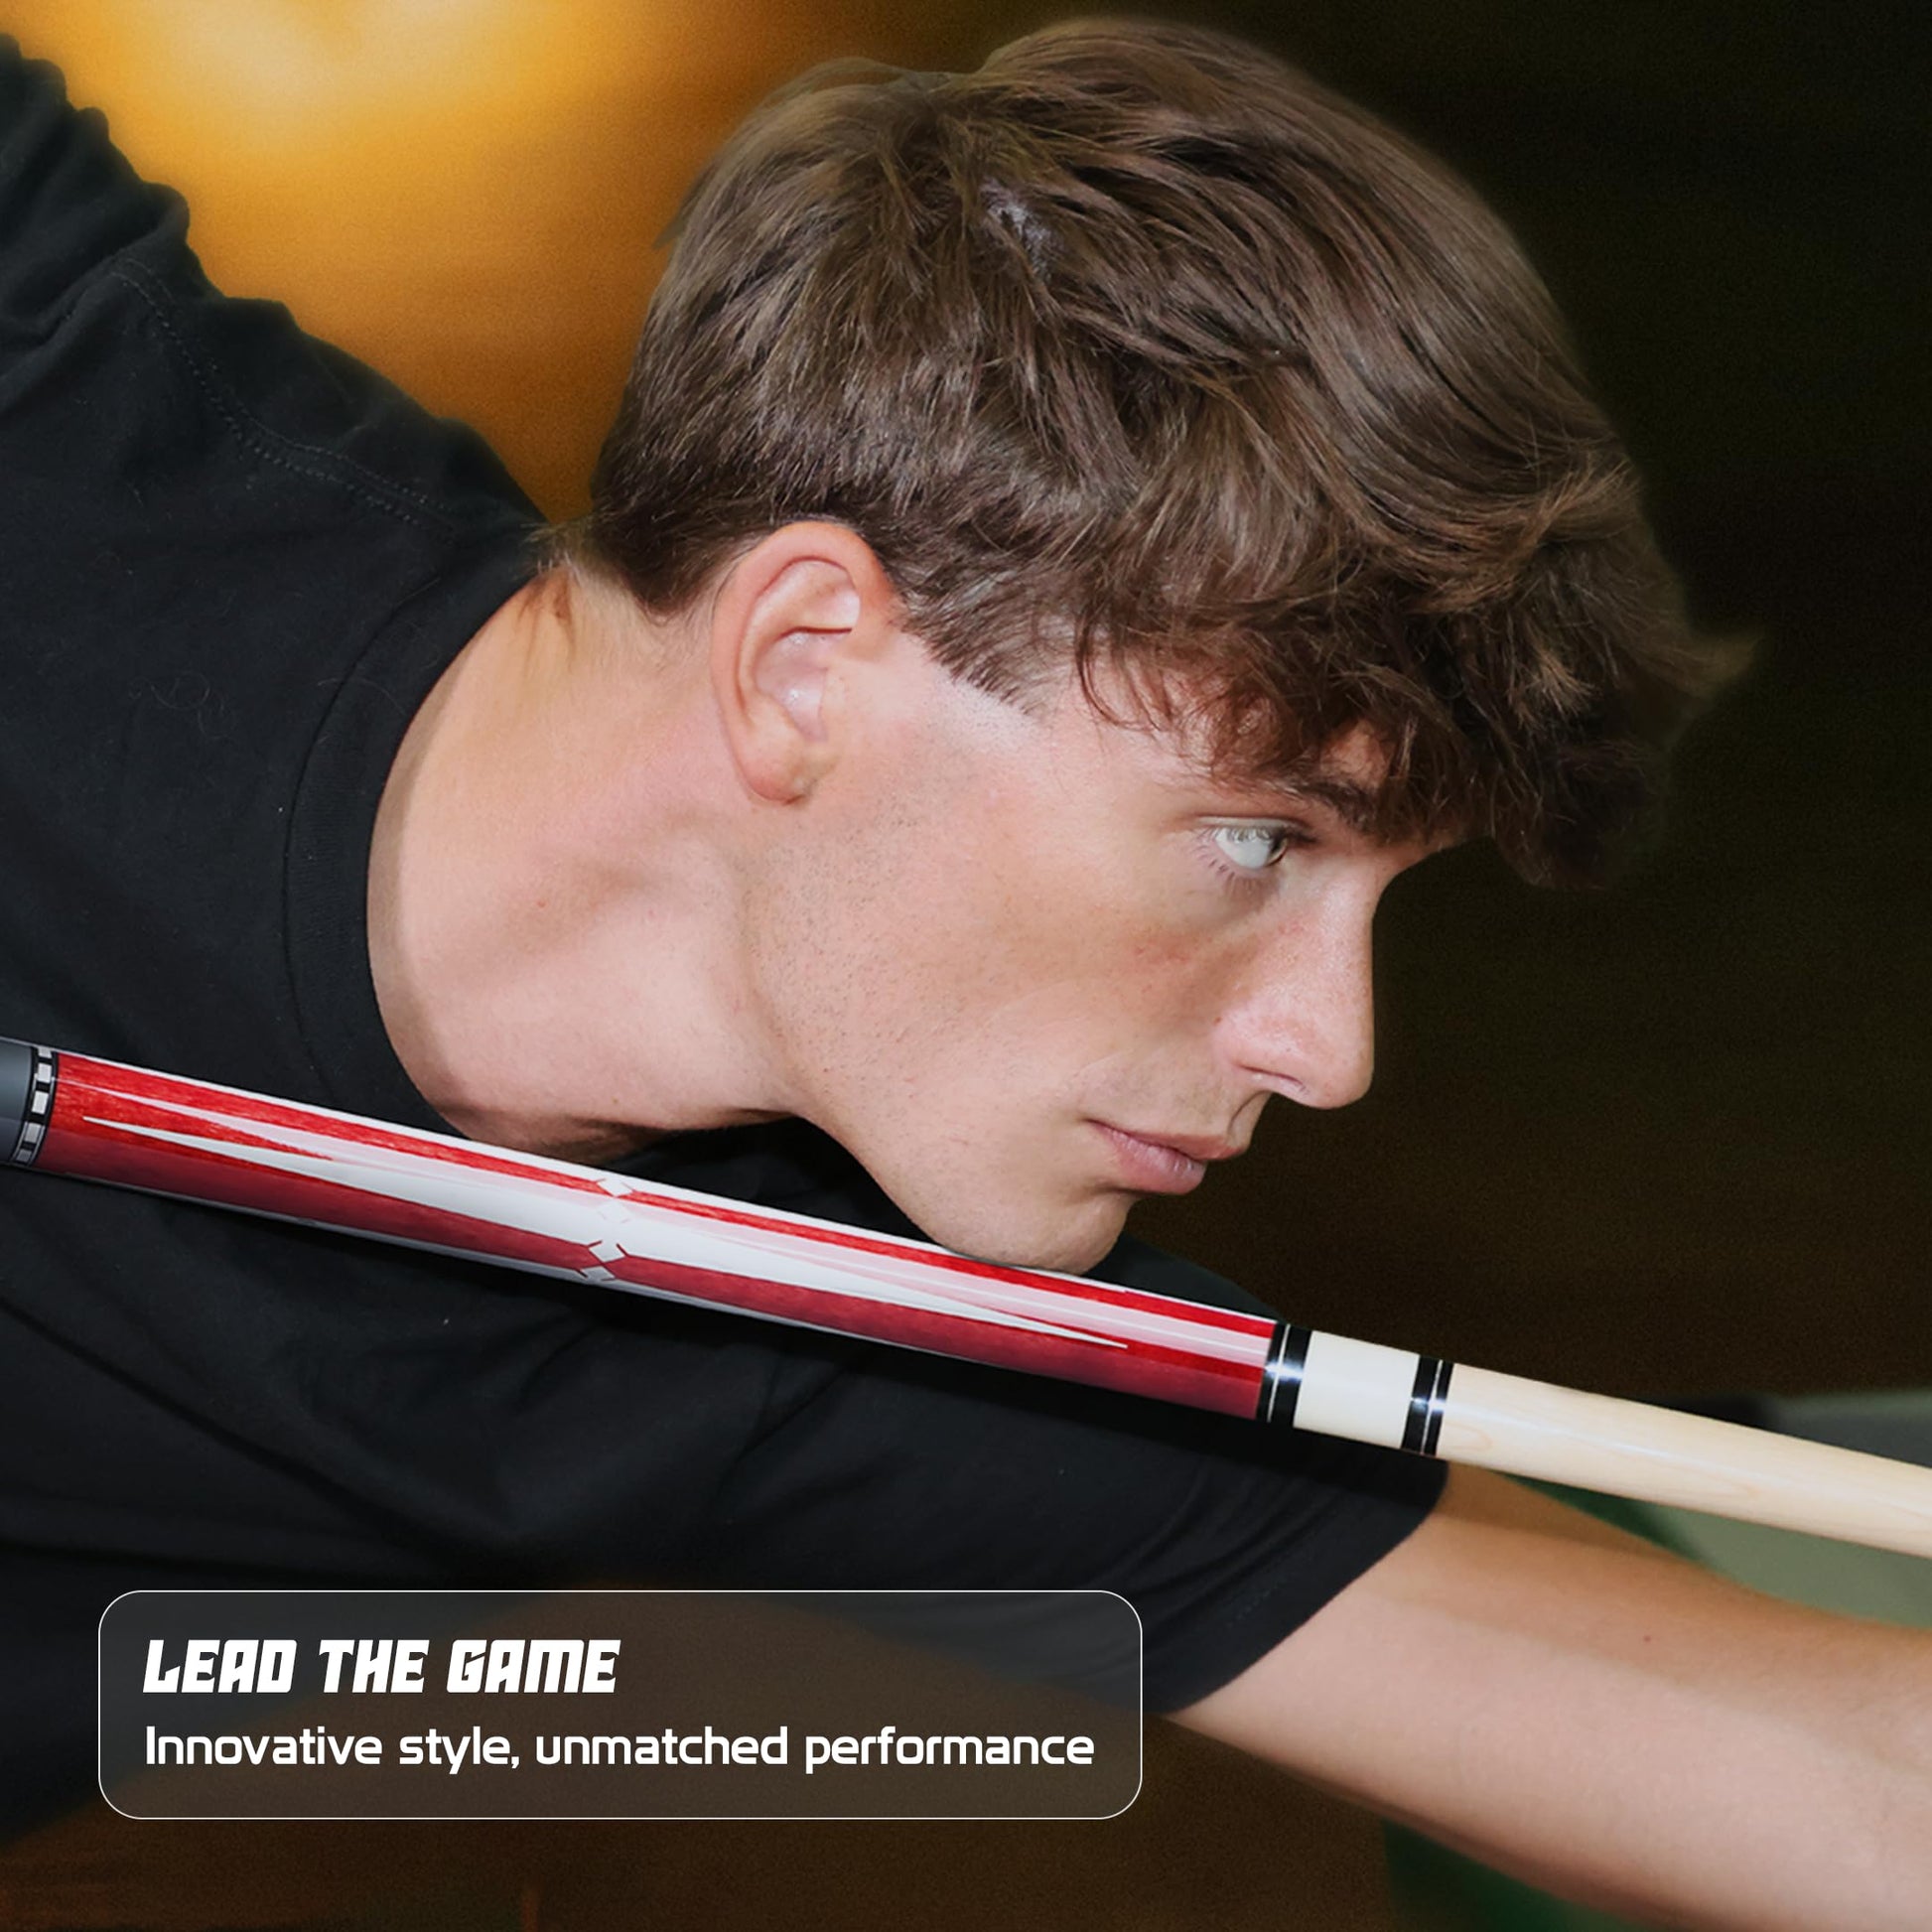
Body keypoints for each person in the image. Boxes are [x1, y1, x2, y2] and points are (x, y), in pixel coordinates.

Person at [0, 19, 1925, 1924]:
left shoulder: (834, 1328)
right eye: (1260, 838)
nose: (1327, 1049)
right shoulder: (43, 351)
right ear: (807, 666)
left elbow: (1834, 1776)